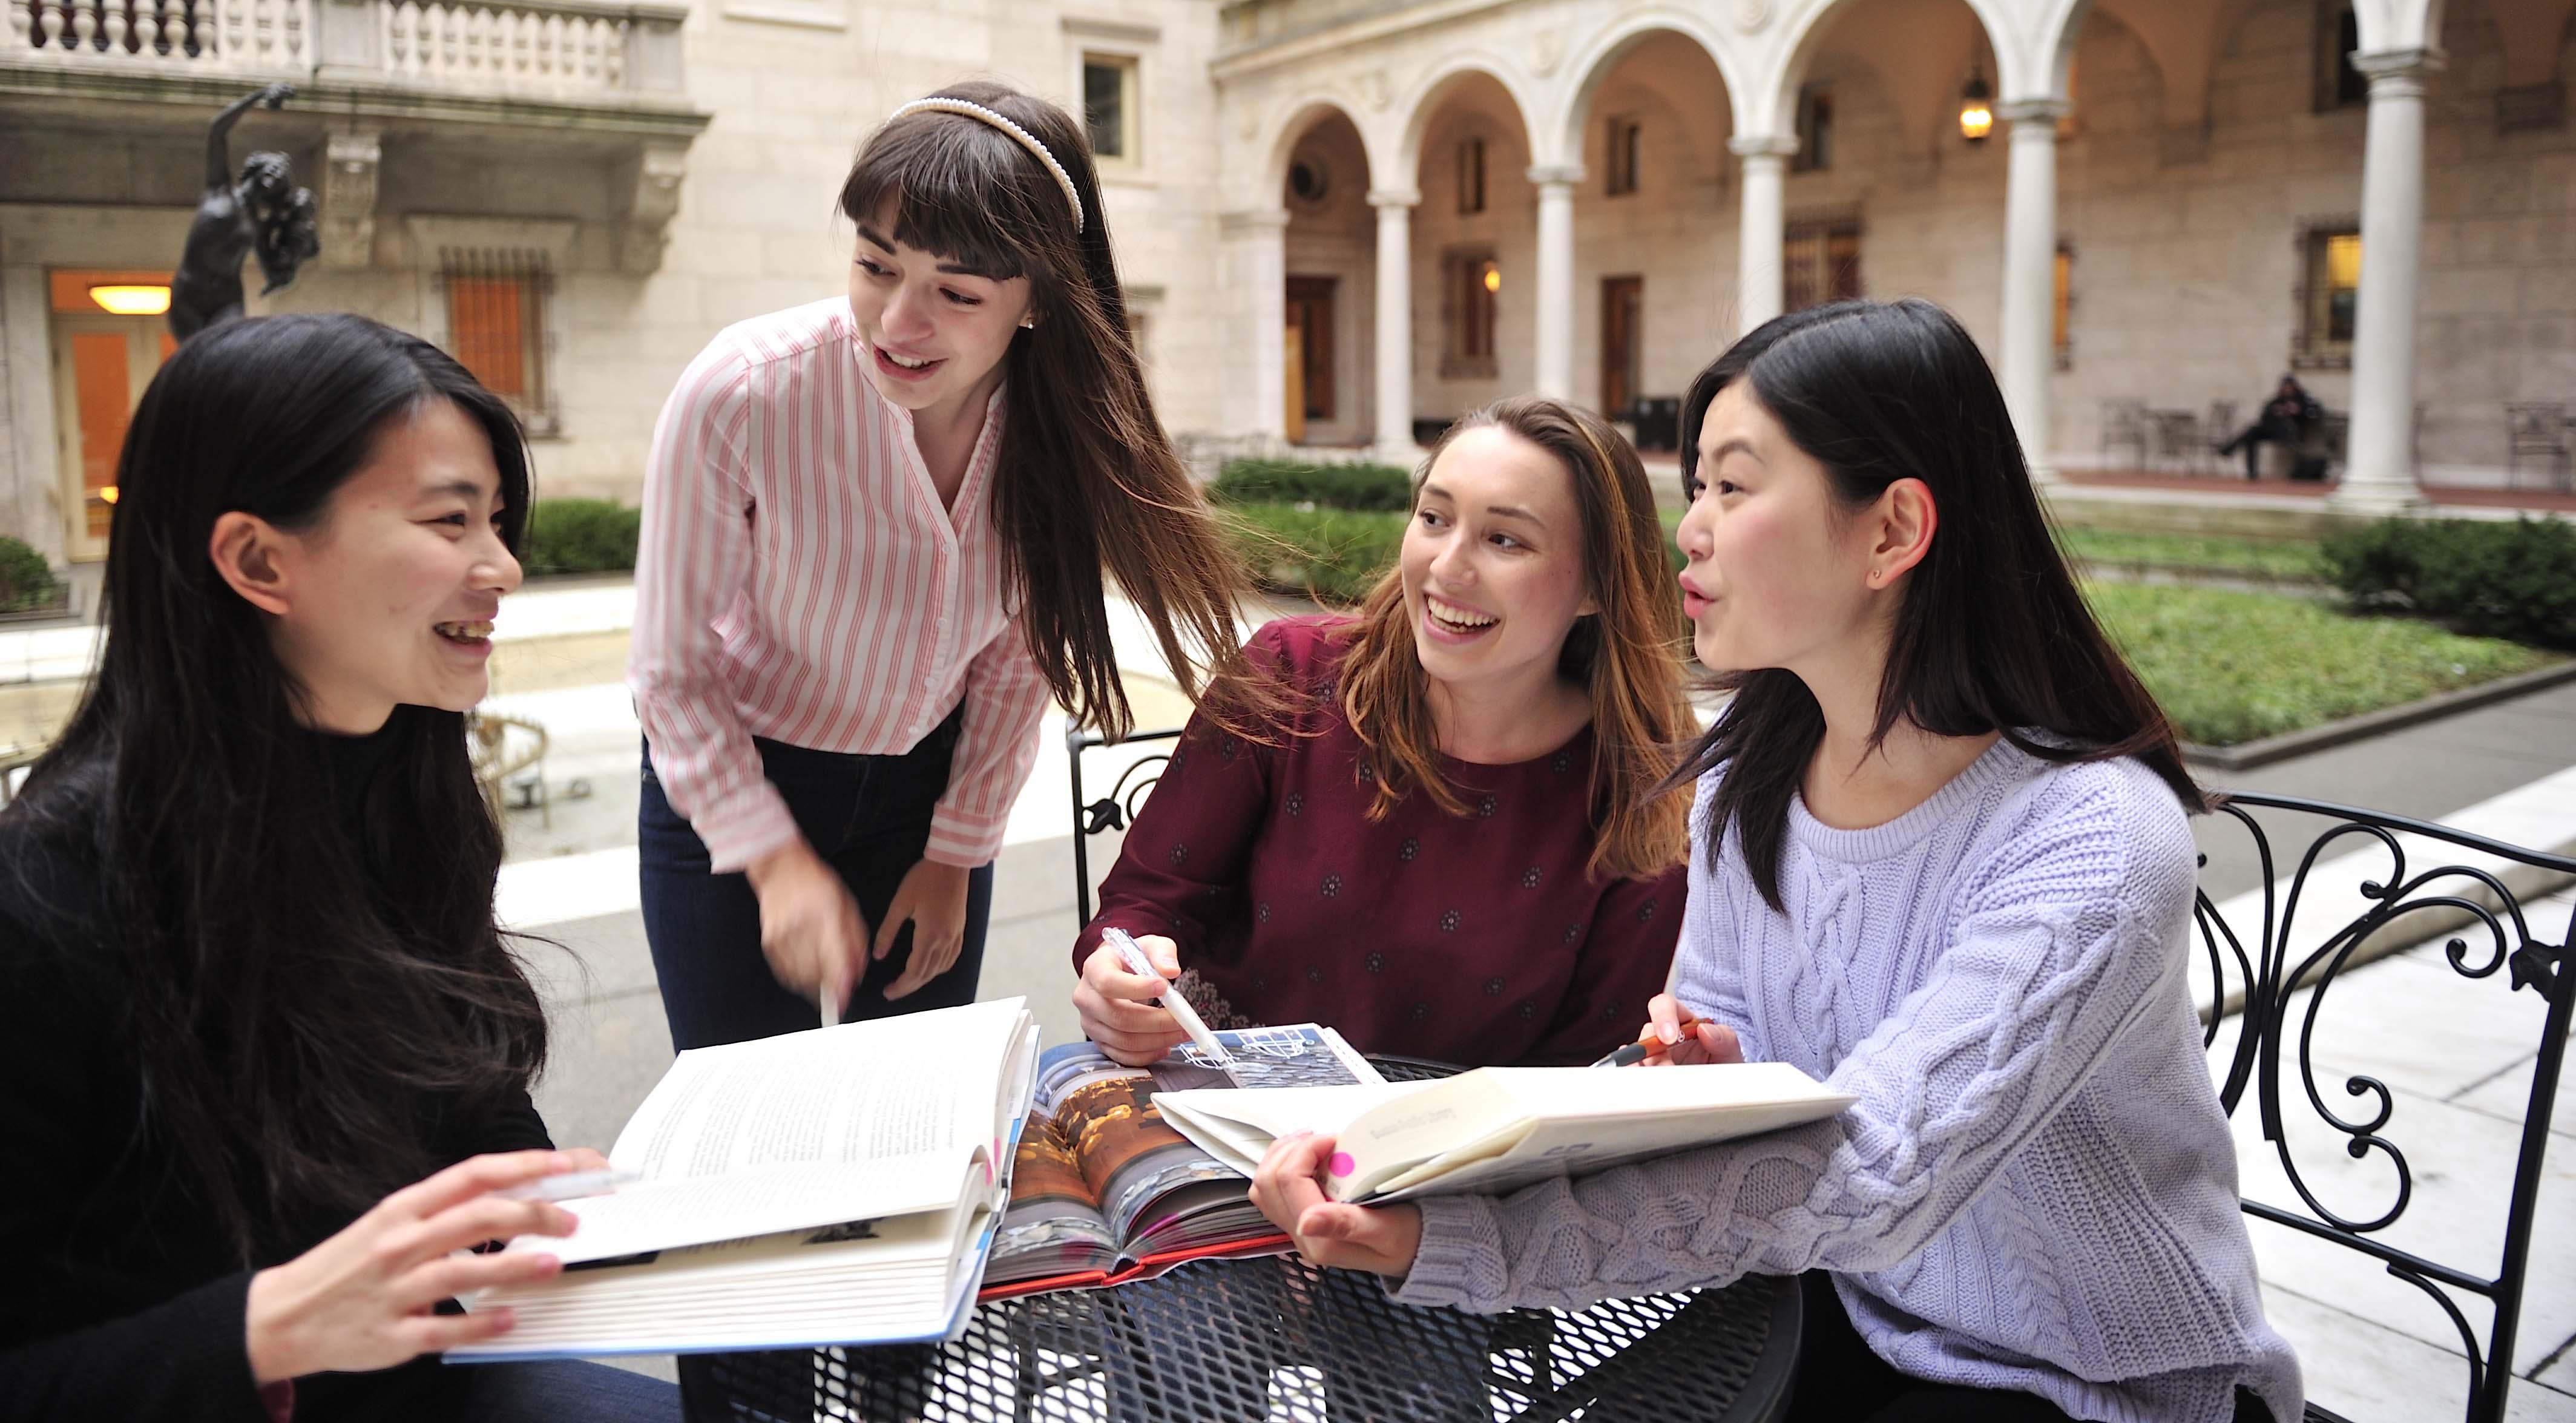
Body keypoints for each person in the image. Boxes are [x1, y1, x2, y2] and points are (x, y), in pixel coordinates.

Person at [1250, 298, 2304, 1423]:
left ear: (1892, 531)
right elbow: (1710, 1062)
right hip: (1844, 1311)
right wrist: (1670, 1092)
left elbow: (1872, 1175)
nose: (1689, 530)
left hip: (2103, 1380)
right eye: (1695, 485)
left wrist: (1451, 1238)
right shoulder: (1749, 776)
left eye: (1735, 486)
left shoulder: (2088, 835)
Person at [0, 314, 677, 1421]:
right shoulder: (46, 905)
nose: (501, 567)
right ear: (260, 560)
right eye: (450, 521)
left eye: (497, 521)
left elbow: (468, 1098)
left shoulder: (403, 788)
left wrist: (580, 1220)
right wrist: (262, 1326)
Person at [629, 83, 1246, 1057]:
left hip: (929, 799)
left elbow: (1016, 660)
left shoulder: (1060, 431)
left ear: (1038, 298)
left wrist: (956, 852)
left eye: (957, 294)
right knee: (746, 1118)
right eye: (876, 267)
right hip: (735, 786)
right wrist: (772, 859)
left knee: (909, 1110)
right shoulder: (743, 392)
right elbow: (671, 667)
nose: (898, 324)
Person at [1071, 396, 1692, 1070]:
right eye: (1433, 518)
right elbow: (1145, 899)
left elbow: (1594, 1073)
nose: (1446, 567)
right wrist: (1119, 971)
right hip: (1216, 1113)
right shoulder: (1290, 671)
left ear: (1595, 587)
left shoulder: (1642, 795)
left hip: (1462, 1166)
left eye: (1504, 539)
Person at [2220, 374, 2323, 480]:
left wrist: (2298, 411)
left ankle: (2229, 449)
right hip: (2272, 430)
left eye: (2289, 387)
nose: (2287, 389)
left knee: (2278, 428)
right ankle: (2251, 472)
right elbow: (2263, 415)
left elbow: (2316, 412)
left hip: (2291, 432)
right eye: (2284, 387)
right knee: (2252, 432)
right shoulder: (2278, 399)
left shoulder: (2303, 398)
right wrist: (2276, 412)